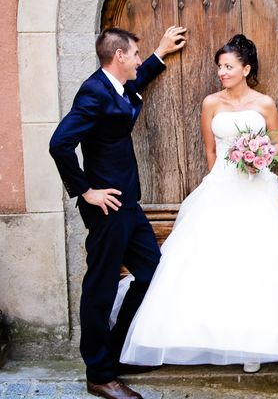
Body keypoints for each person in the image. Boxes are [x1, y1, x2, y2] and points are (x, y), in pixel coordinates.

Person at [118, 34, 278, 373]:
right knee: (214, 258)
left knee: (257, 261)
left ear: (246, 69)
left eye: (228, 67)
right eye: (220, 66)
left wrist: (259, 156)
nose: (222, 72)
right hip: (221, 186)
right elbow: (212, 152)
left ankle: (256, 345)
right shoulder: (210, 103)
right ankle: (204, 336)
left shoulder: (265, 104)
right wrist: (221, 178)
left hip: (258, 188)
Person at [49, 26, 187, 399]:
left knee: (151, 273)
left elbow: (134, 82)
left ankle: (117, 349)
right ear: (119, 56)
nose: (138, 60)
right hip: (107, 208)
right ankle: (99, 374)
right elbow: (60, 143)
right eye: (136, 54)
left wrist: (158, 54)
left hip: (129, 204)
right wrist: (86, 191)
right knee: (101, 287)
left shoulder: (116, 84)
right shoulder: (94, 92)